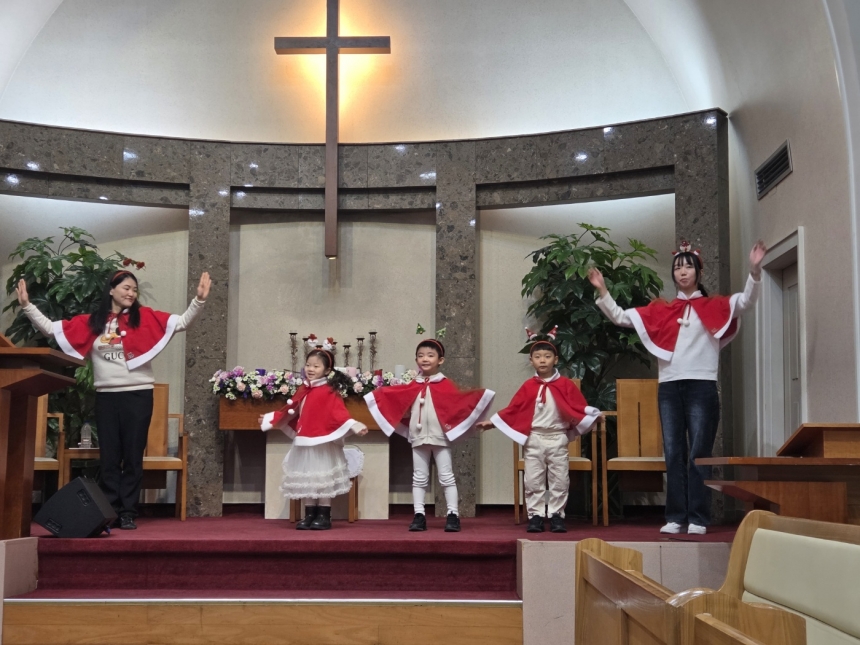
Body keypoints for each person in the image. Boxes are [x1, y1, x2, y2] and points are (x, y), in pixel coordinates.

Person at [588, 239, 766, 535]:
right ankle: (675, 516)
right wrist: (603, 290)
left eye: (688, 267)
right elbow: (620, 317)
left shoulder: (715, 305)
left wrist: (755, 271)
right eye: (677, 267)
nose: (682, 271)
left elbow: (746, 301)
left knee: (699, 453)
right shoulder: (662, 309)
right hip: (669, 387)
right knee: (673, 453)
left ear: (698, 272)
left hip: (702, 386)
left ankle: (698, 517)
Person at [15, 270, 211, 530]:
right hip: (106, 397)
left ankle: (128, 512)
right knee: (109, 457)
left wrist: (199, 300)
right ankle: (109, 511)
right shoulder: (93, 322)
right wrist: (27, 306)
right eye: (126, 288)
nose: (131, 293)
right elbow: (51, 329)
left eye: (134, 289)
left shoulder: (145, 317)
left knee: (132, 456)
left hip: (138, 395)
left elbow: (182, 322)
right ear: (111, 289)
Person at [477, 328, 601, 533]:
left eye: (547, 356)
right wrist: (493, 422)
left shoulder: (565, 384)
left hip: (557, 437)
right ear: (531, 361)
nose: (542, 360)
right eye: (537, 357)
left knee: (559, 479)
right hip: (534, 437)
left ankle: (557, 515)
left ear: (556, 359)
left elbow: (578, 406)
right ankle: (535, 515)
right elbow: (514, 409)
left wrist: (593, 415)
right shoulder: (528, 386)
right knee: (533, 479)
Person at [364, 339, 494, 532]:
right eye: (421, 355)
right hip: (418, 436)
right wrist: (376, 396)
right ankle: (419, 515)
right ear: (416, 359)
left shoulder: (445, 384)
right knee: (419, 477)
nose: (425, 359)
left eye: (430, 355)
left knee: (446, 477)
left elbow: (458, 404)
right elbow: (398, 398)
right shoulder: (413, 385)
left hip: (440, 436)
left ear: (440, 360)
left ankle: (453, 515)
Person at [259, 349, 368, 530]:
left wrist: (354, 425)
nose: (310, 369)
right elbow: (291, 410)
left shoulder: (329, 390)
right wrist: (271, 418)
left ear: (327, 370)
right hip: (305, 440)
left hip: (323, 442)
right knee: (308, 478)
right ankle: (309, 514)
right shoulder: (304, 389)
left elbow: (339, 413)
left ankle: (324, 515)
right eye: (308, 365)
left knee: (322, 477)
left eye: (316, 366)